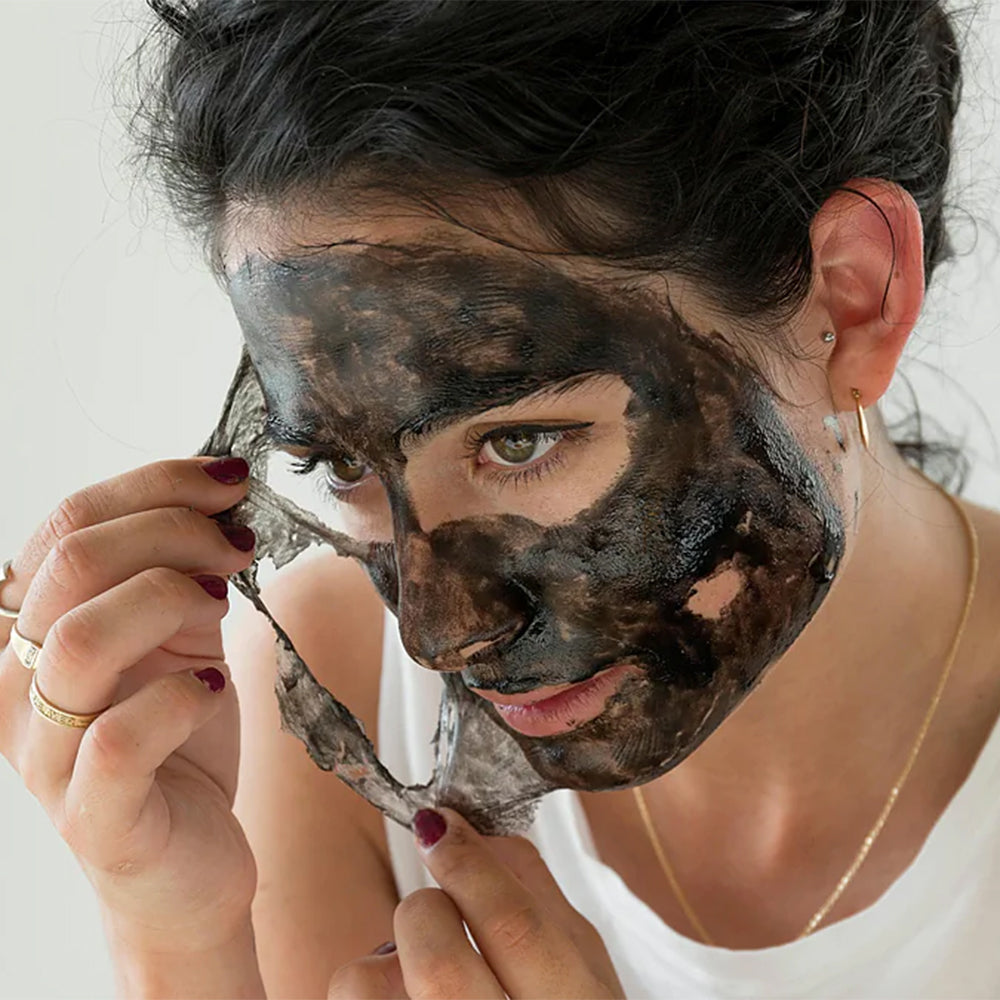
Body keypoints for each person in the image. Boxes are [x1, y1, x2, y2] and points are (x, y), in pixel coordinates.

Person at [1, 1, 998, 997]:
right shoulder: (333, 692)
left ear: (850, 298)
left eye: (517, 442)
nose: (436, 637)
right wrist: (177, 937)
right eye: (343, 465)